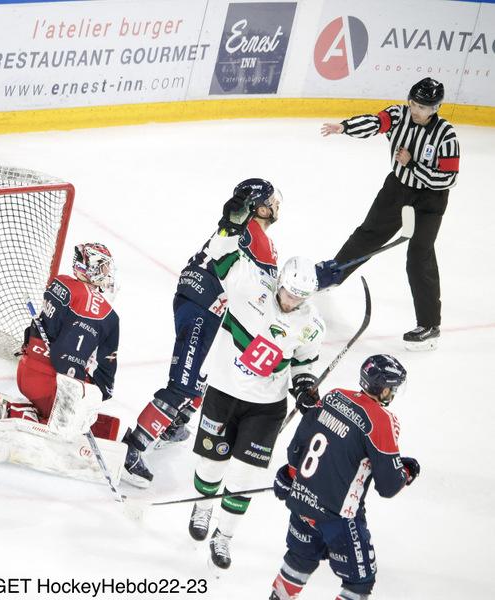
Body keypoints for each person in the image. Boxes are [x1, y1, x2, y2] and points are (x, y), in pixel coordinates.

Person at [184, 197, 325, 571]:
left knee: (245, 475)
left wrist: (305, 388)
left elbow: (303, 364)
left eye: (301, 297)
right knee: (211, 464)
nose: (293, 301)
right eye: (291, 292)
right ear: (280, 281)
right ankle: (201, 509)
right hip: (224, 393)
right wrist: (229, 227)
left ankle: (225, 536)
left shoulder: (310, 324)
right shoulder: (251, 284)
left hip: (266, 407)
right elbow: (219, 256)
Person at [122, 179, 281, 489]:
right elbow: (268, 293)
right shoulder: (259, 237)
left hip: (200, 301)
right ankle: (133, 447)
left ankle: (173, 424)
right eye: (272, 201)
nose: (277, 205)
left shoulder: (240, 227)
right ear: (260, 208)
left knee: (204, 377)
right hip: (203, 306)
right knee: (184, 383)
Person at [0, 243, 124, 482]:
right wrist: (80, 398)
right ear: (90, 267)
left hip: (27, 370)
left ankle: (12, 411)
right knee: (70, 421)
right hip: (49, 382)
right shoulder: (97, 308)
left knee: (74, 400)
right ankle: (15, 415)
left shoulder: (62, 283)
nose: (106, 273)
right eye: (102, 266)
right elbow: (67, 360)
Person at [319, 77, 459, 351]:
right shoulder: (399, 114)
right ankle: (332, 275)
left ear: (436, 108)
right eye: (414, 103)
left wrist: (413, 165)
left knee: (420, 255)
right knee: (367, 235)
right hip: (397, 189)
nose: (416, 110)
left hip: (430, 200)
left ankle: (429, 325)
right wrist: (344, 127)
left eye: (423, 107)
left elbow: (448, 179)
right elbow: (375, 122)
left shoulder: (446, 135)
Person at [269, 354, 420, 600]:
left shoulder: (334, 396)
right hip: (339, 518)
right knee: (358, 583)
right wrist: (407, 471)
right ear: (381, 388)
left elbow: (299, 442)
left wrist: (290, 473)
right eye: (391, 388)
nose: (392, 393)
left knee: (299, 561)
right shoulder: (381, 420)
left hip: (302, 503)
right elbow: (389, 485)